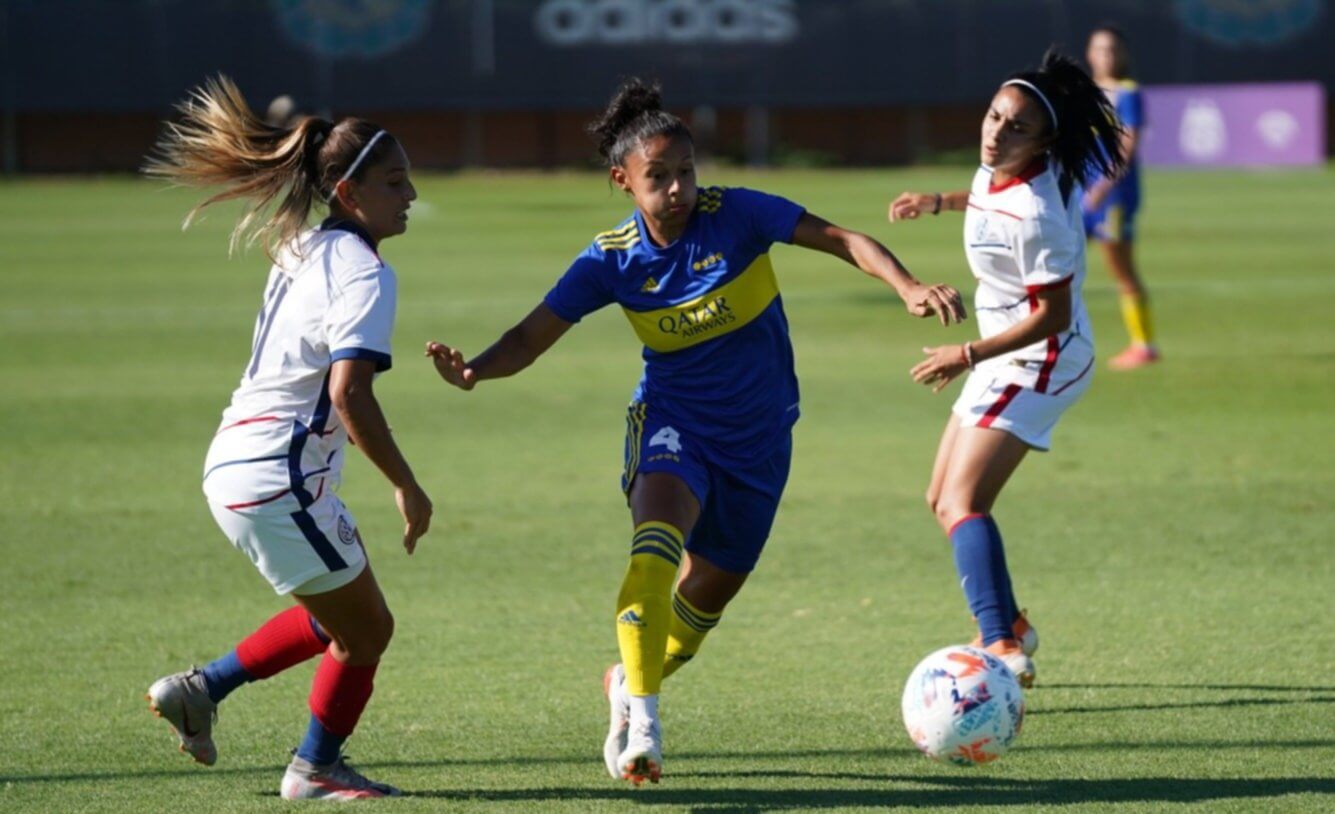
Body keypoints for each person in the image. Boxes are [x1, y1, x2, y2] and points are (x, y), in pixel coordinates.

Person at [426, 78, 965, 785]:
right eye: (659, 177)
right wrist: (475, 373)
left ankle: (628, 681)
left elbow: (840, 238)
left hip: (761, 437)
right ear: (622, 181)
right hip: (673, 423)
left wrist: (906, 284)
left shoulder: (736, 215)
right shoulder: (610, 259)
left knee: (708, 593)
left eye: (685, 172)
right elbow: (531, 335)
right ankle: (643, 721)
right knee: (653, 547)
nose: (677, 188)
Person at [142, 76, 431, 800]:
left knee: (339, 610)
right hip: (279, 477)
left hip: (238, 462)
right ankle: (314, 768)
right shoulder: (364, 272)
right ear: (345, 191)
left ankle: (201, 690)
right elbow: (348, 392)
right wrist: (406, 483)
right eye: (394, 182)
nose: (411, 195)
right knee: (366, 632)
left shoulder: (301, 246)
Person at [886, 50, 1125, 687]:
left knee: (965, 500)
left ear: (1045, 140)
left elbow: (1052, 316)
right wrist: (939, 200)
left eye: (1017, 127)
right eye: (995, 117)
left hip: (1043, 359)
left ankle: (1002, 646)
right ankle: (1012, 625)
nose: (996, 132)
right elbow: (991, 195)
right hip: (1005, 350)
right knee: (941, 498)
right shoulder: (1003, 166)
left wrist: (964, 354)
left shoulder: (1042, 214)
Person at [1085, 24, 1158, 370]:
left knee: (1122, 270)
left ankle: (1143, 345)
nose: (1107, 55)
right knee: (1056, 265)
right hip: (1080, 197)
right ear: (1089, 53)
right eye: (1100, 48)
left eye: (1113, 49)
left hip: (1111, 199)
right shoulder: (1083, 93)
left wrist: (1103, 187)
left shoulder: (1127, 93)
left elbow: (1128, 145)